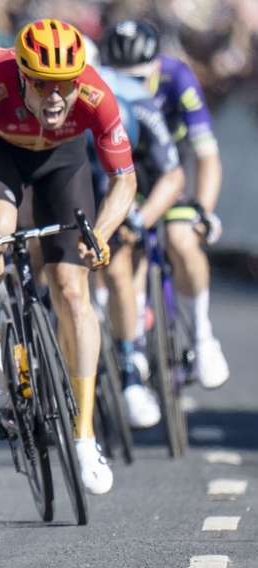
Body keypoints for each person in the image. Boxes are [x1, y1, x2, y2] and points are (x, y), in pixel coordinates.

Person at [0, 19, 138, 496]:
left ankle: (84, 435)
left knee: (71, 287)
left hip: (64, 164)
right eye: (42, 85)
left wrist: (101, 234)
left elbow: (124, 180)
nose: (56, 96)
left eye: (65, 84)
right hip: (1, 157)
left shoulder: (96, 97)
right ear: (21, 76)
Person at [100, 20, 229, 390]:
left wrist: (203, 210)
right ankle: (133, 339)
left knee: (181, 238)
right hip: (121, 177)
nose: (131, 87)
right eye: (121, 77)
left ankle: (203, 336)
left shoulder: (178, 79)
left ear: (156, 66)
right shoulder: (100, 88)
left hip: (167, 174)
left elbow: (206, 155)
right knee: (124, 248)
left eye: (140, 78)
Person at [89, 64, 185, 429]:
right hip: (92, 168)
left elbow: (173, 176)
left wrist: (140, 220)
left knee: (123, 254)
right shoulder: (78, 120)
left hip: (138, 174)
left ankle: (130, 359)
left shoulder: (142, 108)